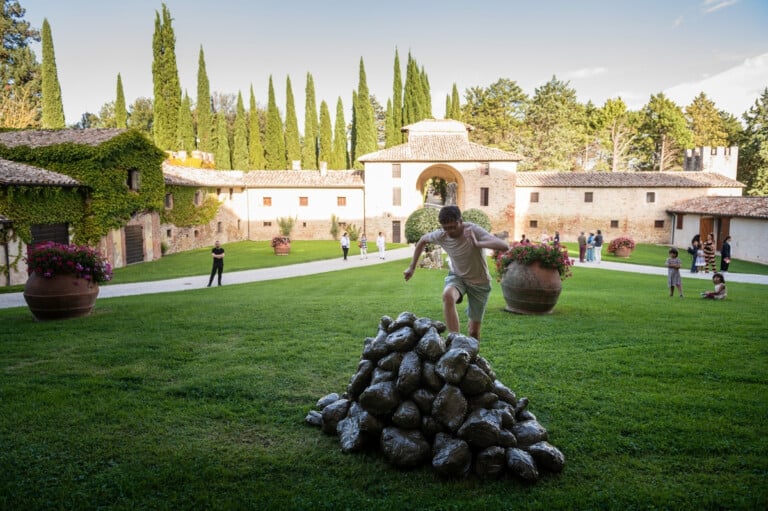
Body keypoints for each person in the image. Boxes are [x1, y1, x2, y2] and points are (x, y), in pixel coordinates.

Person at [403, 205, 509, 341]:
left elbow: (504, 246)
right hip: (458, 276)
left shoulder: (472, 230)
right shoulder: (442, 235)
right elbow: (423, 240)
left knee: (473, 332)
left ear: (461, 221)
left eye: (453, 227)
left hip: (479, 282)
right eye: (446, 228)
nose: (450, 231)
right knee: (448, 295)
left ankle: (471, 358)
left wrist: (477, 243)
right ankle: (455, 342)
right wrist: (412, 267)